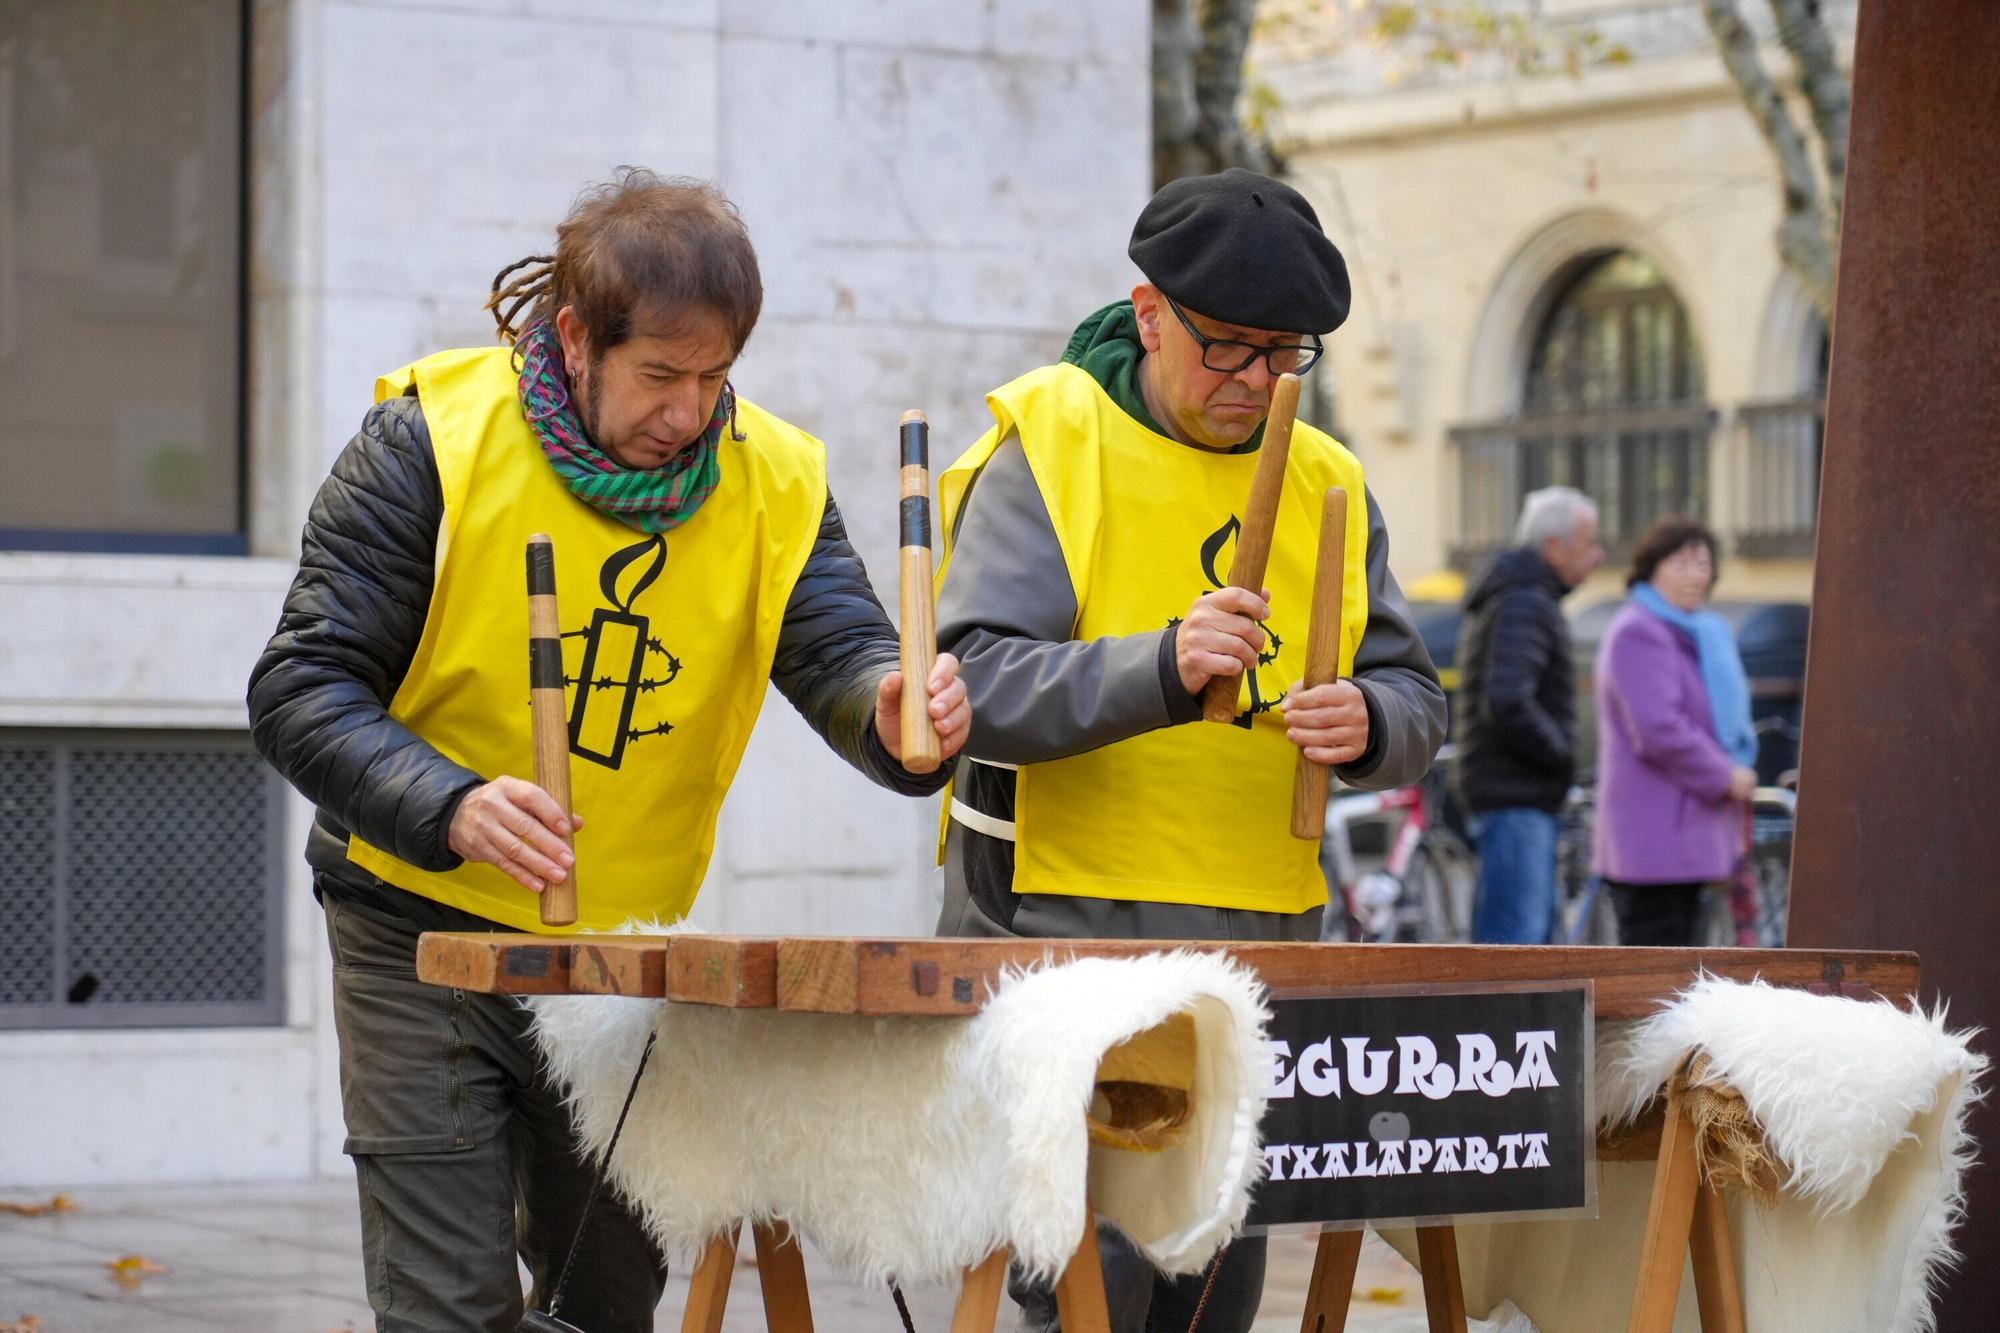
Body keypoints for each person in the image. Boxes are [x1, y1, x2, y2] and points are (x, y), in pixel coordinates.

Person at [247, 169, 971, 1333]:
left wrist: (892, 716)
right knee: (448, 1302)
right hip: (415, 919)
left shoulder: (773, 474)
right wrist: (452, 801)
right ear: (575, 339)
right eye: (659, 377)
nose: (688, 413)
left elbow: (841, 654)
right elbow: (298, 683)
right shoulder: (429, 440)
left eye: (714, 378)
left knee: (608, 1296)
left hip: (620, 949)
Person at [931, 167, 1448, 1333]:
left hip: (1257, 943)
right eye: (1229, 348)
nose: (1260, 382)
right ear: (1149, 310)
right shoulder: (1051, 441)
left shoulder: (1330, 479)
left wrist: (1369, 724)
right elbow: (968, 689)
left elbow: (1415, 694)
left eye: (1286, 354)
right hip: (1063, 940)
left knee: (1213, 1300)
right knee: (1089, 1304)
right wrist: (1160, 666)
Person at [1593, 516, 1758, 946]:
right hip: (1654, 844)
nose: (1695, 575)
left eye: (1703, 565)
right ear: (1652, 568)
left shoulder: (1701, 633)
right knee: (1656, 982)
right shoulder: (1639, 632)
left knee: (1682, 977)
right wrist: (1724, 775)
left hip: (1685, 838)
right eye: (1681, 563)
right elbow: (1658, 728)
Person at [1453, 486, 1604, 944]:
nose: (1597, 557)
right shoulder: (1524, 601)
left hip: (1513, 794)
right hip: (1515, 796)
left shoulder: (1521, 595)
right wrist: (1561, 755)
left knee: (1523, 941)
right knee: (1515, 949)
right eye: (1588, 544)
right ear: (1554, 547)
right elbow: (1507, 701)